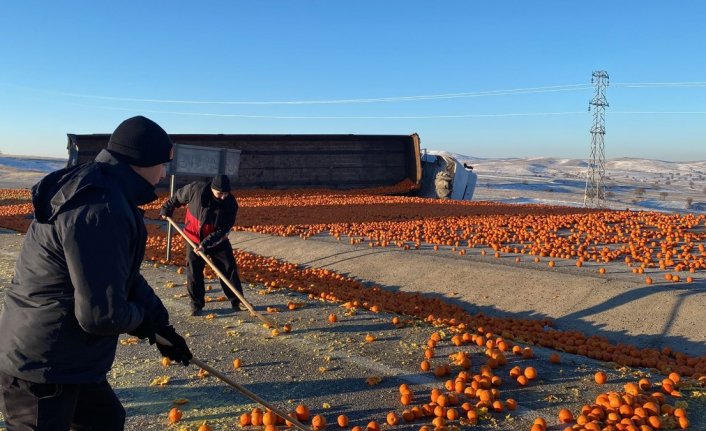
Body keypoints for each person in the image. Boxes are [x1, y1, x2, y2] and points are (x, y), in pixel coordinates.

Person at [0, 116, 192, 430]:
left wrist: (162, 328)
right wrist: (143, 322)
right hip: (41, 364)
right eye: (162, 164)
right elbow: (101, 314)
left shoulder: (106, 191)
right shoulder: (101, 207)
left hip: (68, 360)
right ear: (141, 162)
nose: (164, 173)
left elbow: (121, 276)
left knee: (104, 419)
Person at [160, 174, 244, 316]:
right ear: (212, 189)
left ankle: (237, 301)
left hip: (217, 240)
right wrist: (167, 209)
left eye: (226, 193)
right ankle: (196, 305)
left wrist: (205, 245)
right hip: (193, 237)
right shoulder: (195, 190)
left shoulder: (230, 204)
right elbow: (177, 197)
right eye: (220, 193)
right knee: (194, 271)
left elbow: (222, 229)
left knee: (228, 268)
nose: (223, 196)